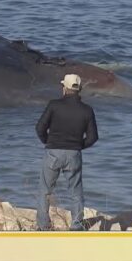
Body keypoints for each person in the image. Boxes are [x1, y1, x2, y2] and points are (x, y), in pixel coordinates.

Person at [35, 73, 98, 231]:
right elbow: (93, 137)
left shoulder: (53, 105)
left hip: (53, 152)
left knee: (45, 191)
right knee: (76, 192)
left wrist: (48, 141)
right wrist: (78, 146)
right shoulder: (87, 110)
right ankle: (76, 226)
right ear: (79, 89)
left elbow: (39, 128)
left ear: (64, 88)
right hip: (74, 154)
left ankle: (43, 226)